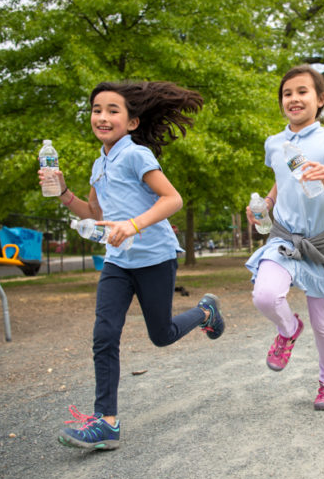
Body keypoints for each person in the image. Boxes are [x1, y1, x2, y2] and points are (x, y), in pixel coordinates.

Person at [48, 81, 225, 450]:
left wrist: (133, 224)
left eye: (113, 110)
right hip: (118, 261)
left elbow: (172, 199)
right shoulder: (99, 162)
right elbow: (96, 214)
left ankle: (205, 311)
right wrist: (65, 193)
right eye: (97, 109)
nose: (103, 116)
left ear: (131, 122)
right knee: (104, 333)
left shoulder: (136, 155)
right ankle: (106, 423)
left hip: (154, 257)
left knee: (161, 335)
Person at [245, 64, 324, 410]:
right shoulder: (274, 143)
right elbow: (282, 180)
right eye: (287, 93)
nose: (293, 99)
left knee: (323, 322)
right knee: (264, 296)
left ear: (320, 99)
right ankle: (289, 328)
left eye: (302, 91)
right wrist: (265, 204)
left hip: (322, 243)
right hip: (283, 237)